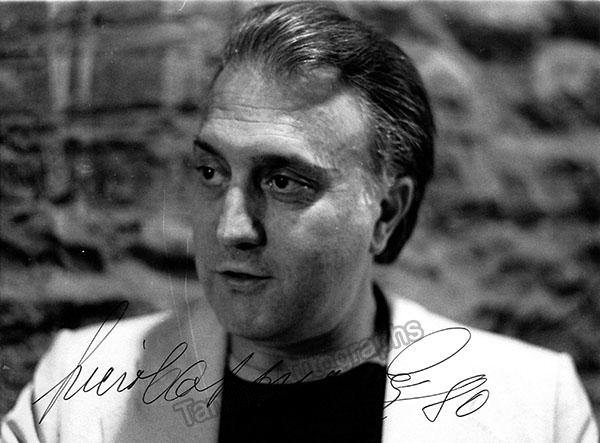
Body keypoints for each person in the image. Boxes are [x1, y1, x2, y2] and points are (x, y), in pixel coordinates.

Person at [2, 3, 597, 442]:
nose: (231, 228)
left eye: (284, 182)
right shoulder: (77, 393)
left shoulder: (535, 408)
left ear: (386, 213)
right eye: (211, 172)